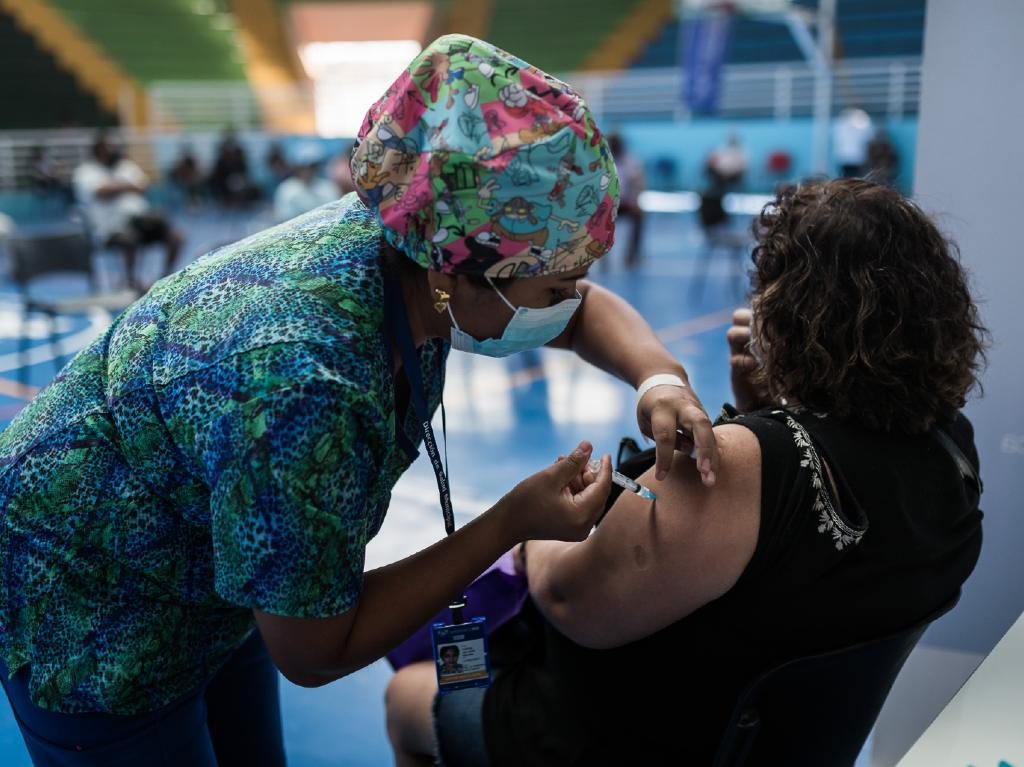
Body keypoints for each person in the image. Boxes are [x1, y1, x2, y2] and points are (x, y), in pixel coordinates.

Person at [0, 35, 718, 766]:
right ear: (454, 273)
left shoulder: (410, 238)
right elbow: (315, 649)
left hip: (215, 571)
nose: (567, 304)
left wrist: (658, 377)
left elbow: (577, 307)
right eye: (553, 289)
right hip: (91, 603)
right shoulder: (306, 383)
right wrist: (511, 521)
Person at [385, 178, 987, 766]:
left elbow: (570, 600)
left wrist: (531, 532)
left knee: (406, 696)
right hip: (775, 742)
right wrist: (765, 409)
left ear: (789, 316)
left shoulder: (733, 469)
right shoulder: (951, 454)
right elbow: (803, 561)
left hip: (618, 737)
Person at [72, 132, 183, 290]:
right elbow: (101, 192)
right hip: (110, 229)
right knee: (129, 239)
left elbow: (143, 186)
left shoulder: (126, 166)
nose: (115, 150)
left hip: (140, 221)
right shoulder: (86, 171)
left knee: (176, 236)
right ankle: (130, 282)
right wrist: (127, 186)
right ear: (99, 150)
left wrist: (117, 187)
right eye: (110, 147)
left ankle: (165, 280)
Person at [606, 133, 645, 268]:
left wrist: (635, 201)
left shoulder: (630, 160)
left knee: (639, 216)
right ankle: (602, 255)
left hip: (626, 202)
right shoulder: (602, 160)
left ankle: (631, 255)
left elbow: (638, 182)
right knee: (600, 218)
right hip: (608, 204)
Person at [272, 142, 338, 222]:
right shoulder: (286, 190)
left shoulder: (327, 187)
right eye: (304, 166)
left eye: (313, 166)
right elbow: (284, 220)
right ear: (297, 167)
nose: (308, 170)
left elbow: (335, 214)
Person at [833, 108, 874, 178]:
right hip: (847, 158)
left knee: (853, 180)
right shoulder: (843, 122)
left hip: (855, 158)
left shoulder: (863, 122)